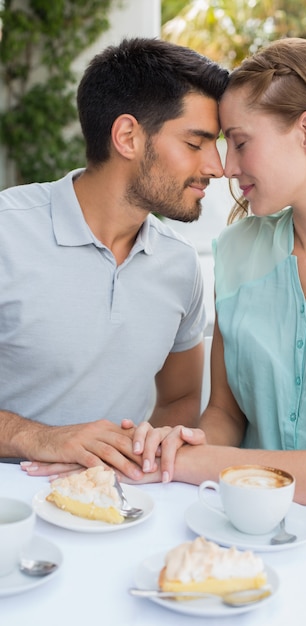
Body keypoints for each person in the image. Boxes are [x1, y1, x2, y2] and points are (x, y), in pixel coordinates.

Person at [131, 37, 306, 530]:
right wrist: (181, 442)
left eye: (241, 143)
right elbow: (225, 412)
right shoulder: (239, 251)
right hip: (246, 537)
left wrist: (193, 464)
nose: (227, 167)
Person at [0, 37, 229, 480]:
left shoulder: (180, 266)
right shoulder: (7, 231)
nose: (217, 166)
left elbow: (180, 399)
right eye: (196, 142)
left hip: (122, 514)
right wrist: (42, 438)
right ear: (127, 136)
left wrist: (143, 468)